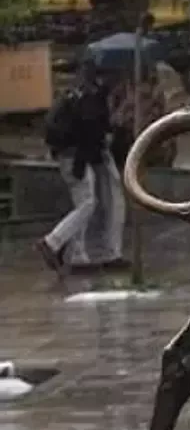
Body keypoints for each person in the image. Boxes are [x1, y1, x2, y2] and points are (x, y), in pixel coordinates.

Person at [35, 61, 123, 274]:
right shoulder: (89, 100)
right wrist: (83, 162)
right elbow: (88, 133)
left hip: (69, 155)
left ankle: (76, 254)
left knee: (85, 204)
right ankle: (53, 241)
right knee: (87, 203)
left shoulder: (76, 95)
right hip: (75, 157)